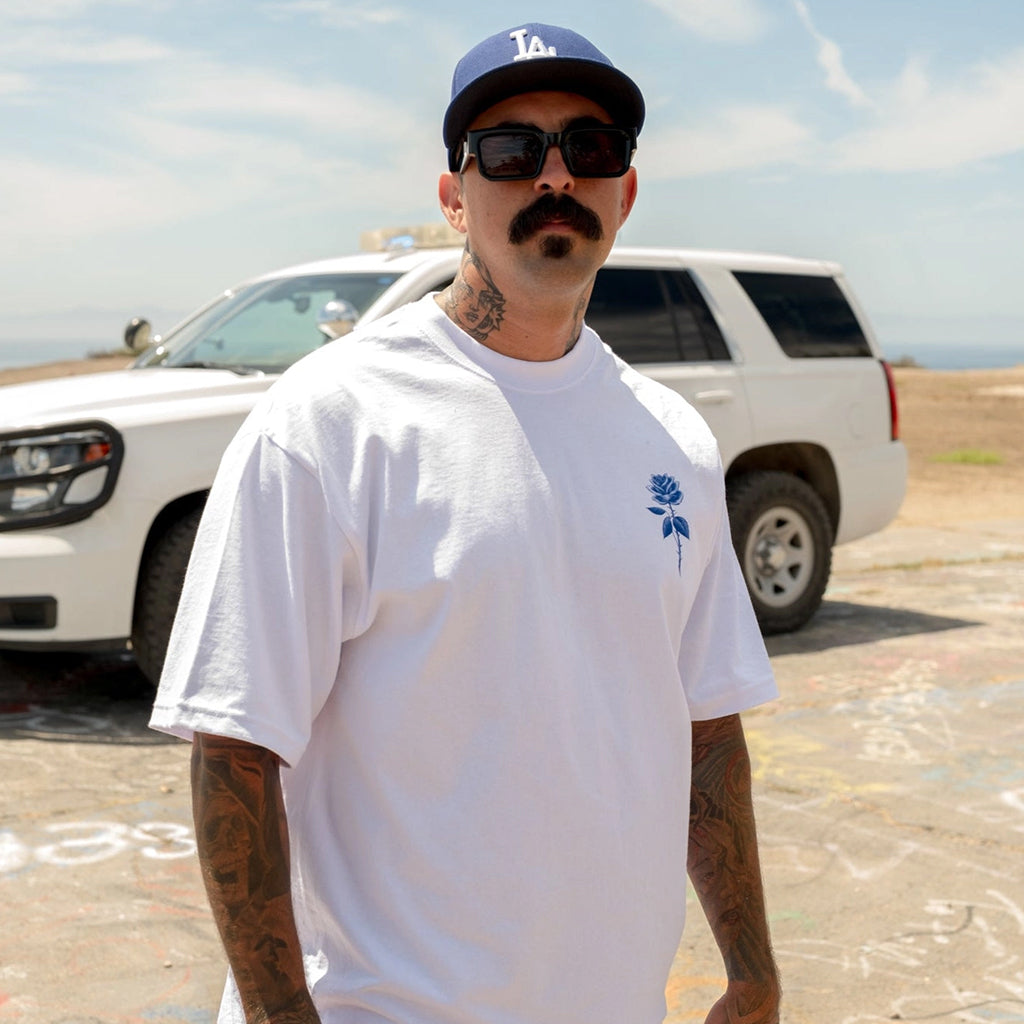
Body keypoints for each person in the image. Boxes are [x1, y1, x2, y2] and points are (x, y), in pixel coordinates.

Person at [150, 22, 782, 1024]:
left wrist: (751, 971)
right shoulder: (331, 421)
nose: (555, 176)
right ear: (453, 196)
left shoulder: (672, 439)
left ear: (624, 190)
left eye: (590, 147)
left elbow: (706, 729)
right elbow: (235, 746)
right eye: (511, 150)